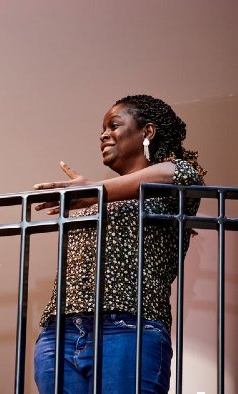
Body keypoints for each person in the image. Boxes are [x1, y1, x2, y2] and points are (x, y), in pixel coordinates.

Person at [32, 94, 206, 393]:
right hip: (59, 332)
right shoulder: (98, 197)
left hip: (128, 327)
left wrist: (94, 190)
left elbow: (181, 173)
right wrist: (94, 195)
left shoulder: (174, 182)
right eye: (103, 128)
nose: (103, 134)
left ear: (147, 132)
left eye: (113, 125)